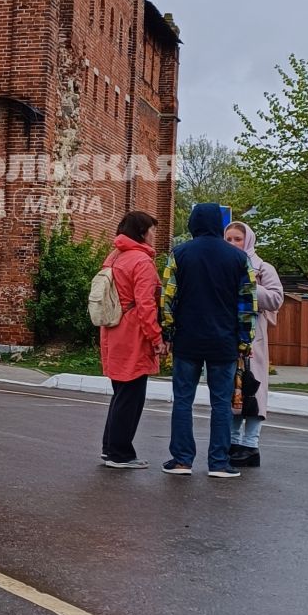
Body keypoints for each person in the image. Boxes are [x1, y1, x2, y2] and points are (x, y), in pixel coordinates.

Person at [160, 202, 257, 477]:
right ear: (218, 223)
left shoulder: (179, 254)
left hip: (187, 340)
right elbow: (248, 303)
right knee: (221, 403)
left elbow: (166, 298)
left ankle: (181, 460)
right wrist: (244, 341)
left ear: (192, 223)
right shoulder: (239, 259)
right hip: (224, 341)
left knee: (182, 400)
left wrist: (167, 332)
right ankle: (219, 463)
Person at [99, 210, 164, 469]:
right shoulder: (141, 262)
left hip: (112, 328)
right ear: (142, 232)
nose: (154, 234)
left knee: (120, 392)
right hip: (133, 332)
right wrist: (156, 337)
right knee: (132, 394)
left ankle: (110, 447)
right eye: (152, 230)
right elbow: (146, 304)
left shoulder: (115, 256)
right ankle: (120, 453)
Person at [224, 221, 284, 467]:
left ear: (247, 240)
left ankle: (251, 445)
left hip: (253, 339)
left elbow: (276, 298)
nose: (233, 244)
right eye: (228, 239)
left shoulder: (262, 267)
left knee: (254, 390)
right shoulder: (223, 266)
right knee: (234, 392)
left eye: (237, 239)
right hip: (229, 337)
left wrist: (250, 287)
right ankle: (234, 442)